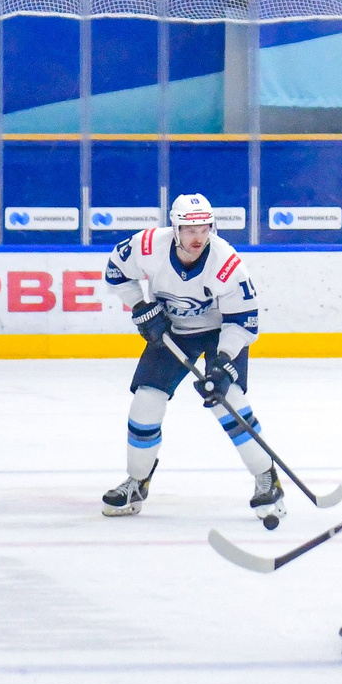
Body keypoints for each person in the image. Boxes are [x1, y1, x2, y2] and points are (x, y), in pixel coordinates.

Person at [99, 193, 282, 527]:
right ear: (175, 227)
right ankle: (137, 482)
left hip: (219, 331)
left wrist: (223, 359)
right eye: (190, 229)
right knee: (146, 402)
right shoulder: (148, 245)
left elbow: (244, 321)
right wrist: (139, 306)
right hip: (172, 330)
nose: (198, 237)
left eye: (204, 228)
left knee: (227, 400)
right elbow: (115, 271)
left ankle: (266, 475)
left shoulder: (227, 263)